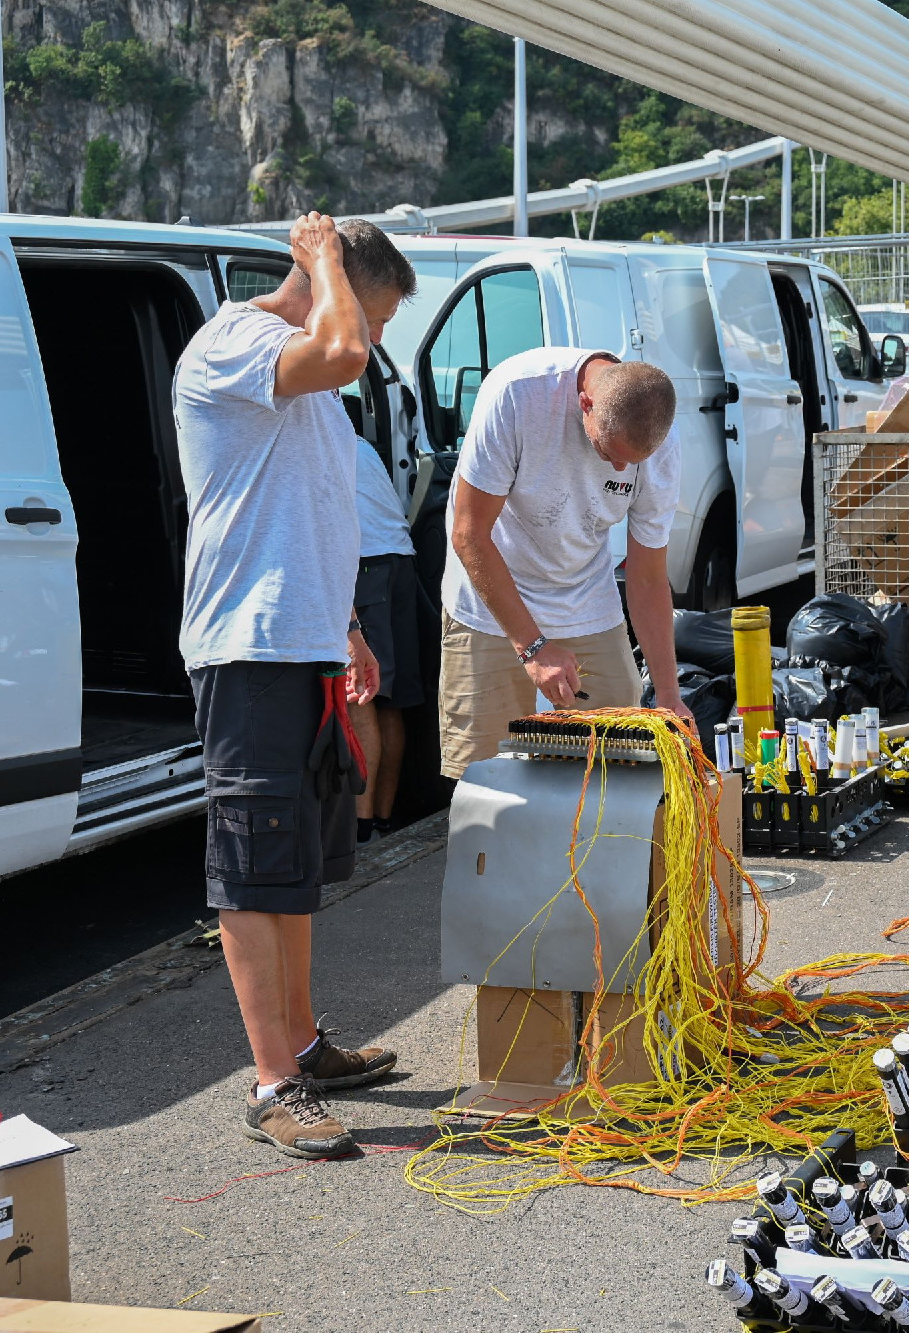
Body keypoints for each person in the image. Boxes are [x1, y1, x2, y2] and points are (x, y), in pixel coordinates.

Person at [174, 213, 415, 1159]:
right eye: (377, 313)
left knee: (300, 863)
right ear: (330, 283)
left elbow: (309, 504)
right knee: (250, 863)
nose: (377, 339)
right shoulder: (236, 343)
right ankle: (272, 1080)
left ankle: (305, 1046)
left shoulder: (310, 368)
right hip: (247, 648)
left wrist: (346, 625)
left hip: (302, 644)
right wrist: (322, 260)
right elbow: (348, 350)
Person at [440, 347, 690, 779]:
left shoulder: (660, 443)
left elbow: (647, 578)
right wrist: (533, 647)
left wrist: (668, 691)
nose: (619, 466)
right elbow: (469, 534)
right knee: (483, 778)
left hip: (585, 597)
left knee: (618, 763)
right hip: (490, 598)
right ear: (586, 403)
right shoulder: (517, 394)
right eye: (610, 451)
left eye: (632, 462)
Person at [350, 434, 429, 844]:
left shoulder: (312, 438)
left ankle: (360, 832)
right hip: (400, 560)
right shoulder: (361, 444)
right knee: (390, 702)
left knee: (362, 696)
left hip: (365, 565)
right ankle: (381, 822)